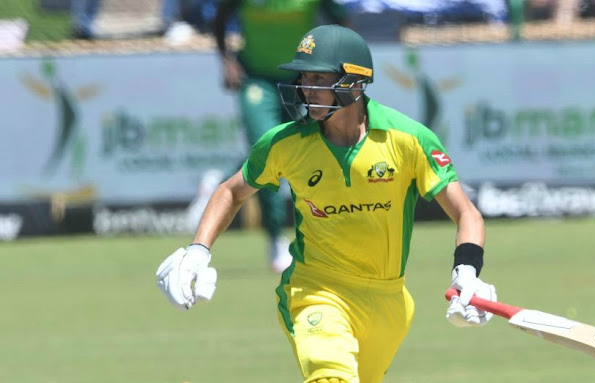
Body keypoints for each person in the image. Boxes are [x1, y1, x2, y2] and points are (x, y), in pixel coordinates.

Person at [156, 25, 497, 383]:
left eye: (319, 77)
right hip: (315, 292)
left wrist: (468, 272)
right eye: (304, 77)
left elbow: (466, 213)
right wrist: (198, 251)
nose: (305, 87)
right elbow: (231, 191)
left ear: (354, 82)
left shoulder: (409, 139)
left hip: (389, 302)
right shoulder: (285, 143)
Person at [203, 0, 350, 273]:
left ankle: (222, 181)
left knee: (313, 151)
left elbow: (343, 24)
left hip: (305, 80)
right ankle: (275, 239)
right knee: (268, 148)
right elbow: (220, 18)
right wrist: (227, 61)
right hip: (258, 80)